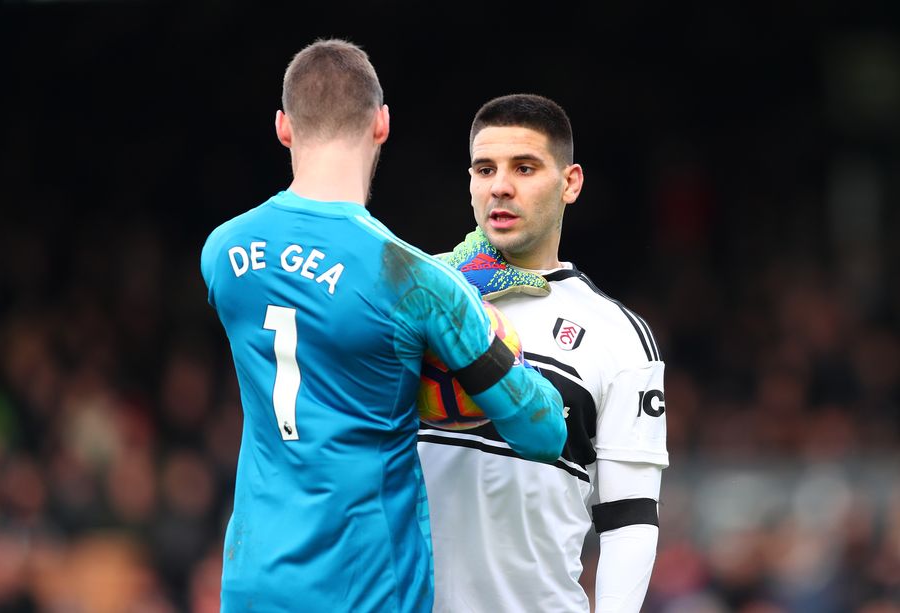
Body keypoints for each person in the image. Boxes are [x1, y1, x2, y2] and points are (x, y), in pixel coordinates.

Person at [199, 42, 567, 613]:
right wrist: (477, 323)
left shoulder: (223, 252)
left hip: (253, 582)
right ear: (382, 124)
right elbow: (543, 432)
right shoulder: (416, 281)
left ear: (283, 127)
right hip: (365, 587)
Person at [417, 94, 669, 613]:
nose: (500, 186)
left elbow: (628, 520)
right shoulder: (416, 296)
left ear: (570, 183)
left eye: (524, 168)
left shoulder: (620, 337)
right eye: (485, 169)